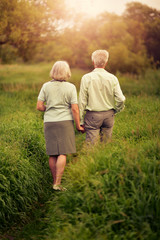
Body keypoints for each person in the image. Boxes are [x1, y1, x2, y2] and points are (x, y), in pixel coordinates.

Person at [37, 61, 84, 191]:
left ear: (53, 71)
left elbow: (39, 106)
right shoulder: (71, 87)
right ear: (67, 72)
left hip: (49, 122)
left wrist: (50, 108)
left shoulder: (46, 86)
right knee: (62, 152)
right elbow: (75, 108)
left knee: (52, 154)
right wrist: (78, 125)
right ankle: (57, 184)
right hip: (65, 122)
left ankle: (54, 182)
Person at [79, 49, 125, 143]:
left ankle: (91, 158)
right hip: (109, 115)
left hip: (92, 116)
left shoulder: (86, 78)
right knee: (105, 145)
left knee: (91, 146)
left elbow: (82, 101)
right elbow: (121, 99)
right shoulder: (113, 78)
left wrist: (80, 121)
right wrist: (117, 110)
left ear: (93, 62)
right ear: (106, 62)